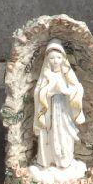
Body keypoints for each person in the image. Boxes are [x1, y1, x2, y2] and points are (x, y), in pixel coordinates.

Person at [32, 39, 84, 174]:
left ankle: (65, 161)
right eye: (52, 58)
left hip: (64, 111)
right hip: (48, 112)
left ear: (63, 58)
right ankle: (49, 161)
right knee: (49, 135)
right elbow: (37, 92)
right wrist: (50, 91)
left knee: (65, 135)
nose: (55, 61)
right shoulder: (45, 75)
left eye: (58, 57)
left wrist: (65, 91)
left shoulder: (67, 74)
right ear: (47, 59)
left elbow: (78, 89)